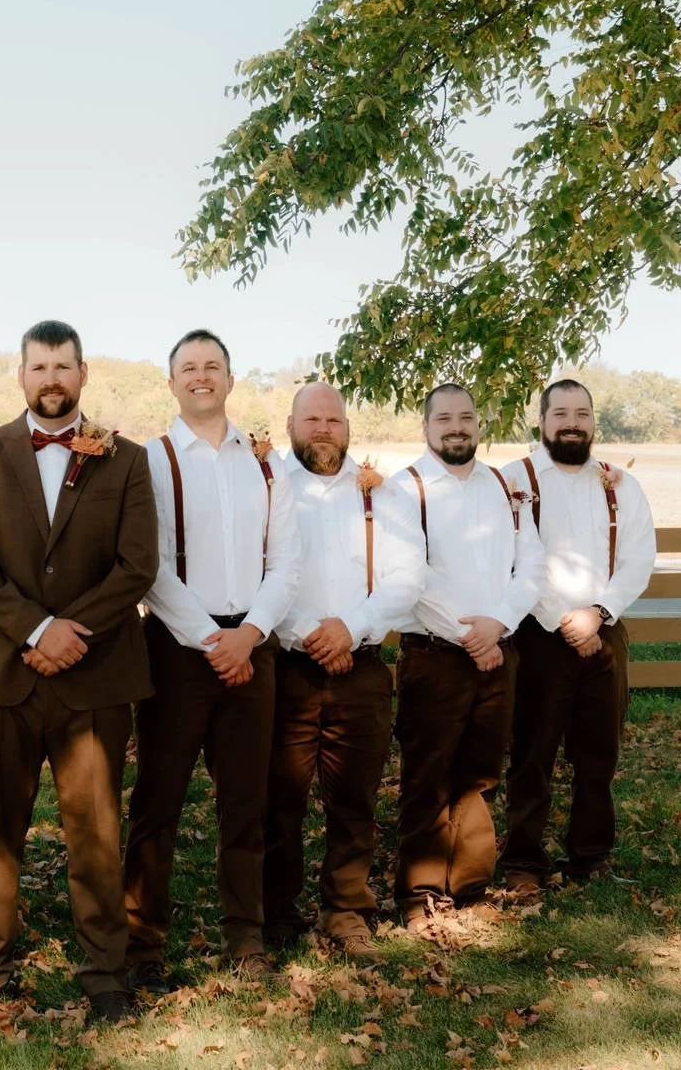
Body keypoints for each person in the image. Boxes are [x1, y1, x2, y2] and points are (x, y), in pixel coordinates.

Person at [0, 320, 157, 1023]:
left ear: (83, 374)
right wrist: (36, 629)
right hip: (0, 673)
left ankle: (106, 976)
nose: (52, 379)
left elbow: (137, 566)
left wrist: (70, 632)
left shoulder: (126, 459)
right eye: (39, 367)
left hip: (95, 675)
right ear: (21, 375)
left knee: (96, 833)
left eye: (64, 366)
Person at [122, 330, 299, 987]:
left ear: (230, 377)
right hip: (177, 648)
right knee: (158, 799)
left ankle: (245, 937)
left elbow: (286, 562)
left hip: (252, 646)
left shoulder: (265, 464)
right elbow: (149, 566)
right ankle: (141, 944)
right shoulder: (153, 460)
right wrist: (209, 640)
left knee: (247, 800)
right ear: (172, 382)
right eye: (189, 368)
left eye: (213, 366)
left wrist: (249, 634)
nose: (202, 376)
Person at [262, 381, 422, 958]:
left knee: (354, 797)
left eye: (333, 420)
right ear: (290, 426)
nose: (324, 429)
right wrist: (312, 633)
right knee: (279, 797)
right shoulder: (268, 486)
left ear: (347, 426)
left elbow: (407, 576)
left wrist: (349, 629)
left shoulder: (382, 493)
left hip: (361, 669)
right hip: (288, 666)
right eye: (312, 420)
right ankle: (275, 912)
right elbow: (258, 571)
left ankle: (346, 908)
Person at [387, 383, 543, 938]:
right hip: (434, 655)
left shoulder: (503, 486)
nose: (457, 427)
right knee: (428, 775)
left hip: (499, 651)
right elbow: (409, 576)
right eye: (445, 418)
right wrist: (468, 635)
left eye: (466, 417)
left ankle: (469, 886)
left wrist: (497, 624)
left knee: (480, 775)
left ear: (479, 424)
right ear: (426, 427)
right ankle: (420, 893)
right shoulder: (404, 489)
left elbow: (531, 565)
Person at [501, 378, 656, 892]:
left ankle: (591, 858)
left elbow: (638, 558)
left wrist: (598, 613)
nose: (572, 423)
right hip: (537, 636)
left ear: (593, 422)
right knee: (532, 754)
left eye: (582, 414)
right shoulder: (513, 481)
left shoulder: (620, 486)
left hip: (604, 634)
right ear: (542, 421)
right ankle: (524, 863)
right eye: (561, 414)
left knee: (598, 755)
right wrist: (564, 620)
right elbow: (514, 560)